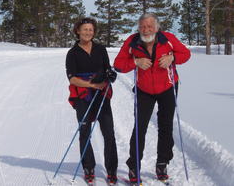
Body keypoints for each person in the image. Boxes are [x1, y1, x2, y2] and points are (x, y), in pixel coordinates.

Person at [113, 13, 191, 184]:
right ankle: (134, 167)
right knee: (140, 128)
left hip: (168, 87)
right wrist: (135, 62)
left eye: (149, 26)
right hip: (144, 90)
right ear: (138, 28)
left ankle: (162, 163)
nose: (146, 29)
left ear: (156, 27)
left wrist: (173, 58)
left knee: (165, 126)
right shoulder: (132, 42)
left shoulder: (168, 39)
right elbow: (118, 64)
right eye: (142, 26)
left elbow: (186, 54)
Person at [65, 17, 118, 185]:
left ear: (94, 32)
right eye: (85, 29)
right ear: (78, 31)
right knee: (85, 132)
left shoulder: (100, 49)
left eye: (90, 30)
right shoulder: (72, 53)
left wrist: (111, 75)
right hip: (83, 95)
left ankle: (111, 170)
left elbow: (107, 69)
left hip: (101, 94)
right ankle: (88, 167)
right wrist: (91, 85)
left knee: (108, 132)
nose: (88, 32)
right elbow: (72, 79)